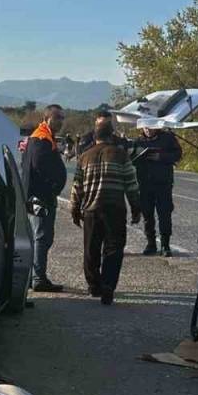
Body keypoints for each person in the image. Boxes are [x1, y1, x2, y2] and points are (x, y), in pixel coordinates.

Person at [70, 114, 140, 305]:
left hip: (91, 210)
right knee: (114, 248)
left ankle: (94, 286)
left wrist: (75, 209)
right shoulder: (121, 155)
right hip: (115, 209)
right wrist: (136, 208)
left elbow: (77, 187)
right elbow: (131, 185)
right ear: (112, 136)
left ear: (95, 137)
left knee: (91, 250)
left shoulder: (84, 157)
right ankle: (108, 286)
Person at [23, 104, 67, 292]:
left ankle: (38, 276)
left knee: (43, 236)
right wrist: (53, 186)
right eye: (58, 118)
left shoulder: (44, 136)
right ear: (47, 118)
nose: (61, 122)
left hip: (43, 196)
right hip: (41, 197)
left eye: (62, 118)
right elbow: (41, 166)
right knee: (41, 236)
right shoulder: (41, 138)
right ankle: (38, 278)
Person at [130, 127, 182, 256]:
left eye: (150, 127)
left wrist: (161, 156)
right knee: (147, 215)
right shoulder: (138, 141)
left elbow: (178, 154)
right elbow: (131, 160)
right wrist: (139, 157)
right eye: (145, 127)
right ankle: (151, 243)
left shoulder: (168, 138)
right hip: (145, 183)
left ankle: (165, 244)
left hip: (163, 183)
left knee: (165, 214)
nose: (147, 130)